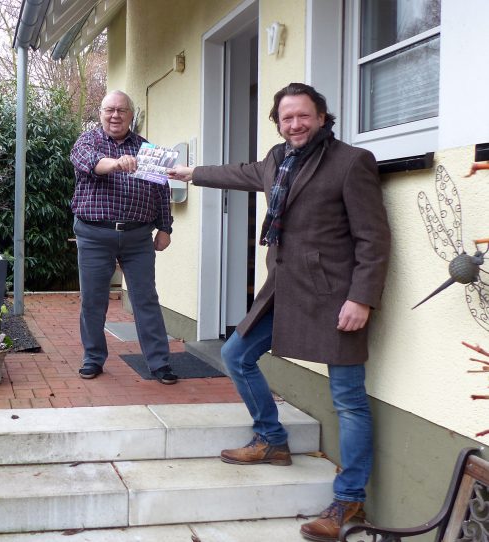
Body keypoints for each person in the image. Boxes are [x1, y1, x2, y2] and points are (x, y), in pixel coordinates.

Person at [168, 82, 390, 542]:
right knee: (235, 355)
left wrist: (362, 298)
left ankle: (349, 499)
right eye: (287, 118)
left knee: (348, 398)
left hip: (336, 296)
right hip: (283, 288)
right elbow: (241, 173)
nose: (295, 124)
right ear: (279, 123)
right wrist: (189, 173)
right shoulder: (275, 160)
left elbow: (374, 238)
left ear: (322, 116)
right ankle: (271, 439)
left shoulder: (351, 162)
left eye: (303, 116)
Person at [69, 90, 177, 384]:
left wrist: (165, 228)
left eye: (122, 110)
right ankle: (92, 358)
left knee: (146, 300)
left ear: (132, 115)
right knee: (93, 300)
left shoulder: (147, 149)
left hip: (138, 237)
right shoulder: (87, 141)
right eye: (109, 110)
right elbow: (91, 164)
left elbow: (161, 191)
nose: (115, 115)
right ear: (101, 113)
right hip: (94, 235)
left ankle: (159, 363)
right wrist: (116, 163)